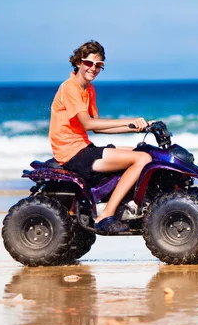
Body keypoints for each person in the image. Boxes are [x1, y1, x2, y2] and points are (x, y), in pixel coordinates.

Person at [48, 40, 152, 233]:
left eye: (98, 65)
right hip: (72, 153)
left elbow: (98, 128)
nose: (93, 68)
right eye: (89, 63)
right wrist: (130, 120)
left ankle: (131, 204)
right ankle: (107, 214)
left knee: (143, 152)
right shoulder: (70, 87)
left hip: (83, 147)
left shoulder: (89, 89)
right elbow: (88, 123)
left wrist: (137, 128)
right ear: (78, 62)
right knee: (143, 159)